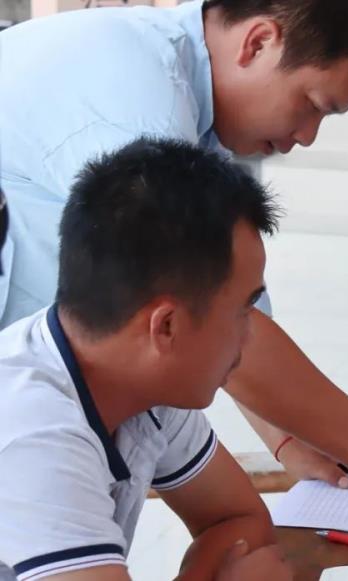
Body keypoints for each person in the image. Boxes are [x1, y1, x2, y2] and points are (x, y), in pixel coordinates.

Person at [0, 0, 348, 532]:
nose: (307, 136)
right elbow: (204, 306)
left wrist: (288, 435)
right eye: (312, 105)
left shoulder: (186, 105)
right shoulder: (132, 95)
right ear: (258, 42)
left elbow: (228, 311)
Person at [0, 138, 292, 580]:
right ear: (166, 326)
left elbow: (237, 519)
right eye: (242, 311)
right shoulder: (35, 433)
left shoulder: (146, 384)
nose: (249, 335)